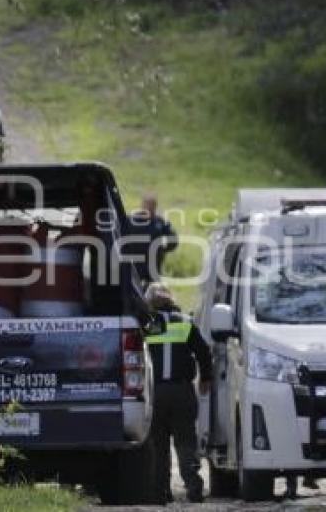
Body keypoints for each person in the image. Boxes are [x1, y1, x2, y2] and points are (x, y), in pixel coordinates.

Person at [144, 282, 212, 504]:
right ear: (171, 300)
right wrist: (206, 378)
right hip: (182, 392)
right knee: (185, 442)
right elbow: (203, 352)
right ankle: (194, 488)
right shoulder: (185, 322)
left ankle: (160, 493)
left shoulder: (145, 325)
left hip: (155, 393)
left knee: (159, 445)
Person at [125, 194, 178, 283]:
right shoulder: (130, 220)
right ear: (142, 205)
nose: (149, 207)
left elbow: (173, 240)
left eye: (152, 205)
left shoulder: (159, 222)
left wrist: (162, 249)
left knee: (151, 292)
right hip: (134, 266)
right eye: (147, 204)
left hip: (152, 267)